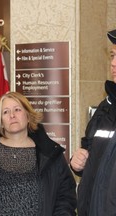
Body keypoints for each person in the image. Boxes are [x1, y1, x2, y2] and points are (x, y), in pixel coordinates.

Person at [0, 91, 77, 215]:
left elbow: (66, 194)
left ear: (28, 115)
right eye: (5, 112)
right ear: (1, 122)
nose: (12, 115)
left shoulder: (49, 152)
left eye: (17, 109)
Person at [70, 29, 116, 216]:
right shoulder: (104, 108)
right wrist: (78, 163)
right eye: (113, 55)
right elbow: (90, 152)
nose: (113, 63)